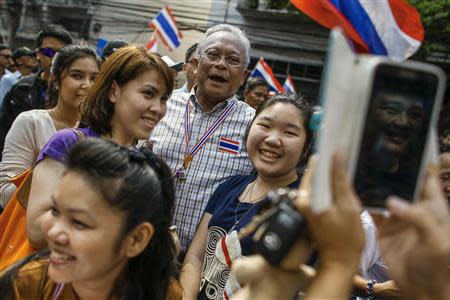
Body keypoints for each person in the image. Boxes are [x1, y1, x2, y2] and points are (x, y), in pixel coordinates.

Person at [24, 45, 173, 250]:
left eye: (164, 99)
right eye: (148, 94)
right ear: (113, 91)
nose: (158, 109)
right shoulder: (69, 144)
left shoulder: (145, 164)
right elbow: (37, 230)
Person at [0, 138, 182, 300]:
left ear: (136, 239)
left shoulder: (163, 293)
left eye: (79, 223)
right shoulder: (26, 286)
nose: (53, 232)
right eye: (55, 211)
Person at [181, 94, 313, 300]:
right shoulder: (229, 186)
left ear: (306, 148)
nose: (272, 139)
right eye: (265, 125)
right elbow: (195, 257)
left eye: (289, 132)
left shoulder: (303, 208)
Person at [151, 24, 255, 254]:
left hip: (203, 264)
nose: (221, 64)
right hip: (143, 249)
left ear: (244, 75)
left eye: (233, 60)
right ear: (196, 65)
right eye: (214, 55)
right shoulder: (161, 107)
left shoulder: (254, 125)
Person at [0, 44, 100, 208]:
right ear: (55, 82)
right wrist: (51, 161)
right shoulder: (31, 123)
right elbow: (4, 194)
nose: (87, 85)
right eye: (76, 76)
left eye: (94, 78)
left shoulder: (102, 131)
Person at [0, 25, 73, 158]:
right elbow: (4, 130)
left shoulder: (76, 93)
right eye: (49, 52)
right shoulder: (21, 89)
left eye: (61, 52)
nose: (55, 58)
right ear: (38, 54)